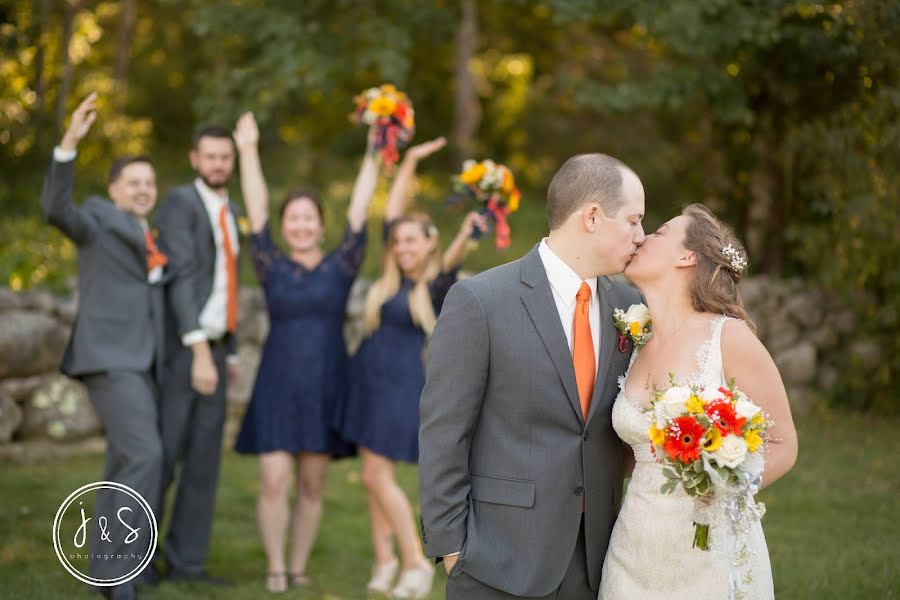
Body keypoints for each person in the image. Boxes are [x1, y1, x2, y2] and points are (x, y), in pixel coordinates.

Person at [419, 153, 647, 599]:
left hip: (596, 561)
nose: (641, 236)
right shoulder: (480, 301)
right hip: (496, 561)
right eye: (634, 220)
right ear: (593, 217)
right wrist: (452, 549)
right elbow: (444, 432)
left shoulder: (629, 305)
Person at [598, 203, 798, 599]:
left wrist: (726, 481)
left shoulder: (728, 338)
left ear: (686, 256)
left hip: (707, 549)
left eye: (660, 231)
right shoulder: (634, 341)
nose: (643, 236)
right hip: (632, 548)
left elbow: (784, 444)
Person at [230, 112, 379, 592]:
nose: (299, 225)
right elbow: (254, 211)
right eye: (291, 218)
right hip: (278, 382)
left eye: (307, 218)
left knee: (313, 485)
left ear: (319, 225)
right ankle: (274, 566)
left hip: (326, 383)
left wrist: (377, 148)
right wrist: (248, 149)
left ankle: (298, 566)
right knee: (274, 480)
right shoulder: (271, 265)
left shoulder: (342, 266)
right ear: (285, 225)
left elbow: (360, 210)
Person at [338, 137, 485, 599]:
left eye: (411, 241)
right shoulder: (390, 279)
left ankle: (416, 562)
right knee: (373, 479)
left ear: (429, 245)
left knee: (376, 477)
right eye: (397, 241)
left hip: (399, 388)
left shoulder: (437, 286)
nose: (402, 247)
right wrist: (412, 161)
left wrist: (468, 230)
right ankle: (384, 563)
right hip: (366, 382)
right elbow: (394, 212)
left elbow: (457, 254)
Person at [41, 93, 165, 600]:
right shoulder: (97, 219)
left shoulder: (147, 234)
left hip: (142, 361)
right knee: (145, 454)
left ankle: (106, 569)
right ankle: (120, 575)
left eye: (149, 183)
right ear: (114, 190)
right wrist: (69, 142)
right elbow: (55, 208)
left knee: (122, 463)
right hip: (111, 359)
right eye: (133, 183)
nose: (142, 190)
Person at [153, 124, 242, 585]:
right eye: (210, 156)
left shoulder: (229, 209)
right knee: (163, 457)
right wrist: (200, 350)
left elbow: (228, 281)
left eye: (225, 157)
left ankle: (186, 564)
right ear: (194, 159)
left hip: (216, 345)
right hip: (186, 350)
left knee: (204, 461)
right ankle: (135, 562)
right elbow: (181, 278)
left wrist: (229, 350)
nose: (218, 164)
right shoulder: (180, 204)